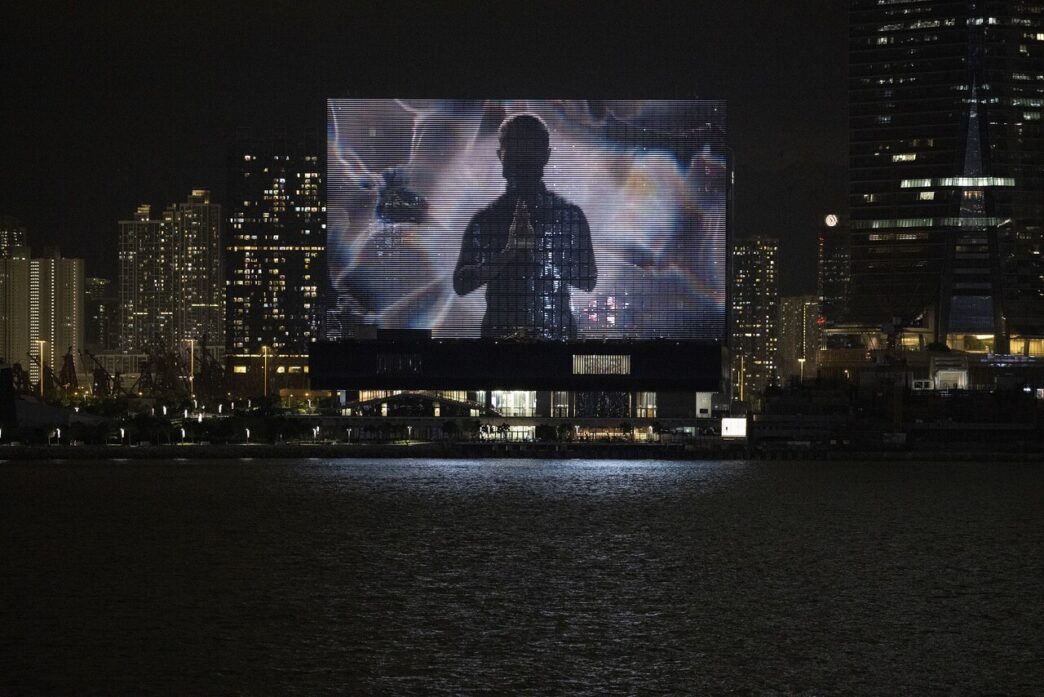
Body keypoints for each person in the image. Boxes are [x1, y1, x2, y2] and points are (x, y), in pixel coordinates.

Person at [453, 113, 597, 339]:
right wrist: (509, 253)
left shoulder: (570, 216)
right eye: (516, 154)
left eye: (528, 154)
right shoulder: (485, 220)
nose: (521, 164)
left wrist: (536, 252)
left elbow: (589, 280)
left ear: (545, 157)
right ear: (501, 156)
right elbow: (461, 284)